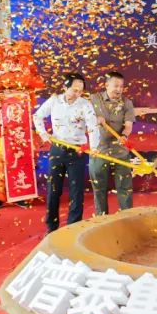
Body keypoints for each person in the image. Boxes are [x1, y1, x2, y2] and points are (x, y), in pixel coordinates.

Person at [33, 73, 99, 233]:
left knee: (76, 191)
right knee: (54, 189)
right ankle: (51, 227)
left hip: (77, 151)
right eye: (74, 90)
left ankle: (73, 228)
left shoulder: (85, 104)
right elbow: (37, 116)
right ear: (65, 87)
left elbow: (93, 126)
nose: (78, 93)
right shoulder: (54, 101)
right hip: (57, 149)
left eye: (80, 91)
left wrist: (94, 146)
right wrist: (43, 133)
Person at [89, 72, 136, 216]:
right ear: (106, 85)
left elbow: (128, 125)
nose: (119, 89)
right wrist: (94, 119)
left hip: (120, 151)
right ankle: (101, 218)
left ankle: (127, 218)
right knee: (99, 188)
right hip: (99, 150)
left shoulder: (127, 103)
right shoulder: (93, 99)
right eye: (116, 86)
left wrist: (124, 135)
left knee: (125, 188)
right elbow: (83, 118)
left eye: (121, 86)